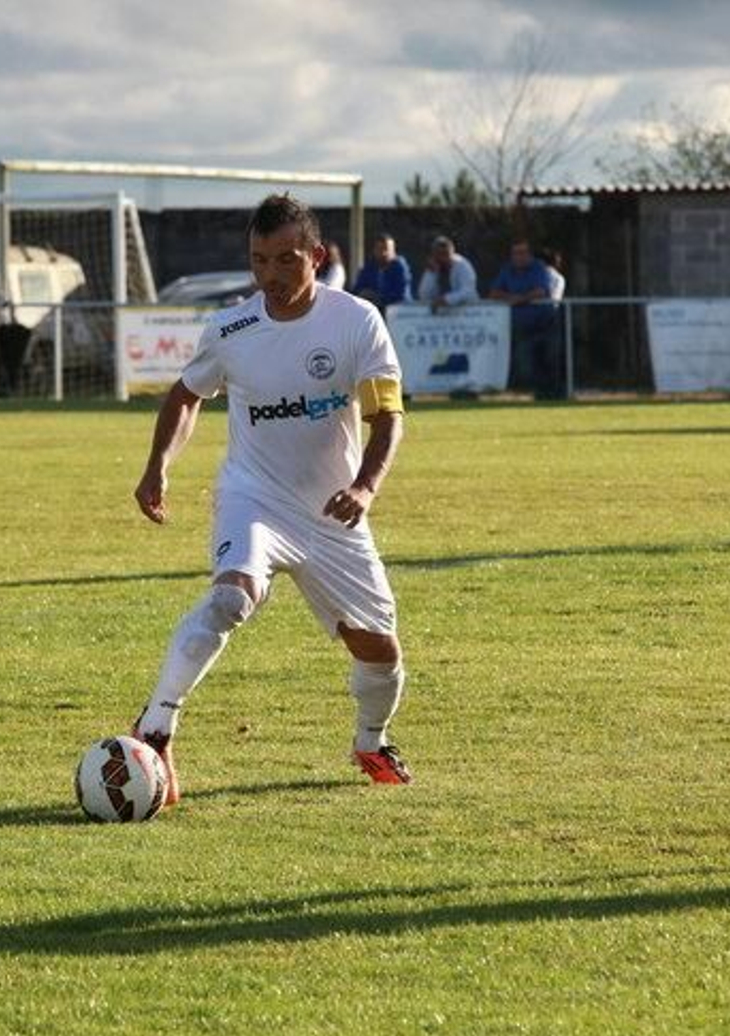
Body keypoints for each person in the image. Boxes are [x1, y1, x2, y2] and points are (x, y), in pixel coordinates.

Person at [130, 193, 412, 805]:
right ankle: (155, 725)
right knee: (231, 597)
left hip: (332, 510)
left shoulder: (356, 320)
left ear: (317, 255)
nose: (271, 276)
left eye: (286, 260)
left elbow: (386, 416)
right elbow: (185, 397)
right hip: (252, 496)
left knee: (381, 653)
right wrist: (158, 467)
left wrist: (364, 486)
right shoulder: (230, 328)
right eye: (259, 261)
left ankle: (371, 739)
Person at [488, 239, 558, 398]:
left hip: (545, 324)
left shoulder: (539, 268)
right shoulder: (507, 270)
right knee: (525, 364)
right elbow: (493, 294)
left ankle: (552, 393)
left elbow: (540, 292)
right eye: (515, 253)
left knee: (550, 359)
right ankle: (539, 392)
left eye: (522, 253)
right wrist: (512, 297)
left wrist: (518, 299)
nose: (519, 257)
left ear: (529, 255)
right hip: (521, 327)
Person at [351, 233, 413, 312]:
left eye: (386, 249)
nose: (384, 253)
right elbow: (356, 290)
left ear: (394, 250)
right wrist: (363, 293)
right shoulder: (370, 266)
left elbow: (401, 295)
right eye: (379, 249)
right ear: (374, 250)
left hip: (399, 313)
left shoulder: (400, 266)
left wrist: (377, 297)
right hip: (374, 311)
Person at [416, 235, 478, 310]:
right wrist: (431, 274)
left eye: (445, 253)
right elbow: (423, 295)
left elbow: (467, 291)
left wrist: (447, 299)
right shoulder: (432, 267)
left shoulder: (463, 265)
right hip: (439, 312)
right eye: (439, 253)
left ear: (452, 251)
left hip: (468, 310)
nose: (443, 257)